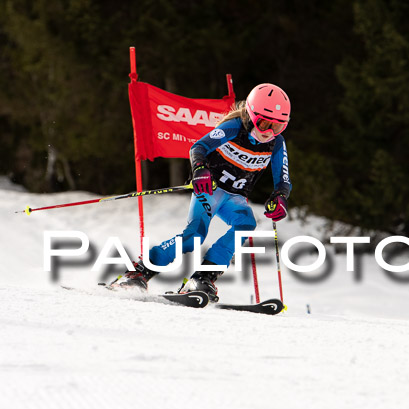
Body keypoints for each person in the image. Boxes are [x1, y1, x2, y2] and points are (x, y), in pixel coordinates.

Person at [109, 83, 292, 301]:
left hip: (235, 198)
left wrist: (280, 196)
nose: (269, 132)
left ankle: (203, 278)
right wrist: (200, 169)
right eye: (264, 124)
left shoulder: (277, 144)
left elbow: (283, 178)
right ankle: (139, 271)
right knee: (194, 237)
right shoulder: (234, 127)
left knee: (245, 225)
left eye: (278, 127)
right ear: (252, 115)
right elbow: (198, 147)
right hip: (210, 189)